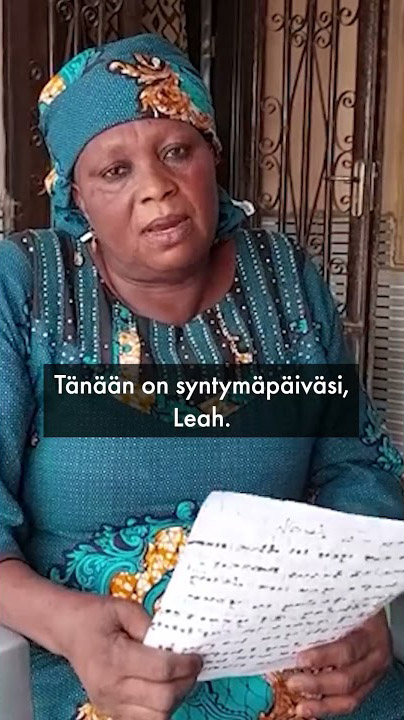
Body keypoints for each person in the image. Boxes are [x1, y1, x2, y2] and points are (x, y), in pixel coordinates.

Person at [0, 33, 403, 720]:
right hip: (95, 672)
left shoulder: (283, 277)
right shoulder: (28, 287)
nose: (157, 187)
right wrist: (67, 625)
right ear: (76, 198)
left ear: (211, 157)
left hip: (299, 663)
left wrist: (359, 609)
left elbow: (355, 462)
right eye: (114, 171)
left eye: (177, 151)